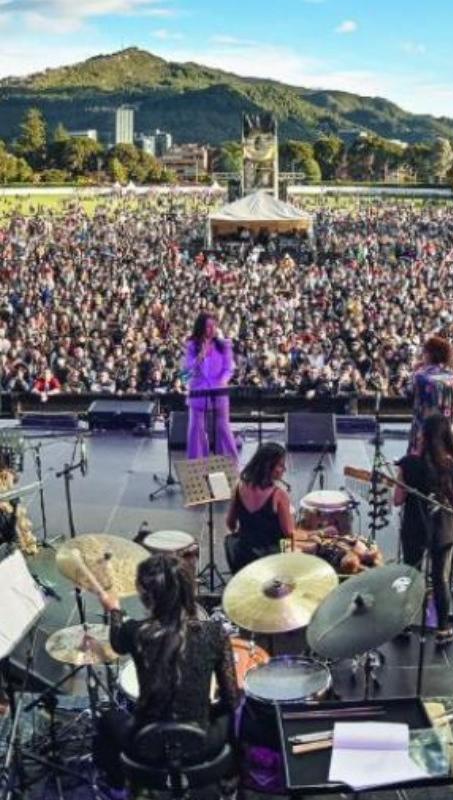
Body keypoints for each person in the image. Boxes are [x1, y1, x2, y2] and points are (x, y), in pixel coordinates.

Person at [94, 553, 240, 795]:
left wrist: (114, 609)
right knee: (239, 708)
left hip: (145, 743)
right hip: (202, 742)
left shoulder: (136, 632)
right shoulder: (214, 633)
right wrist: (205, 711)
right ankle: (230, 777)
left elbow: (117, 641)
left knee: (108, 719)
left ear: (146, 596)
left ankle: (118, 785)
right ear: (188, 590)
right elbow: (231, 699)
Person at [393, 414, 453, 645]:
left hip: (415, 526)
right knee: (441, 578)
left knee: (410, 574)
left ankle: (403, 626)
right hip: (443, 528)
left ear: (423, 436)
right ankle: (443, 630)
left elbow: (397, 499)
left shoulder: (408, 463)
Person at [225, 442, 294, 571]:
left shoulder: (239, 486)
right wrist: (317, 533)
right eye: (280, 465)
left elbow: (231, 524)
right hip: (270, 560)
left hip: (242, 556)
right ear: (268, 466)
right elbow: (290, 534)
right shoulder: (279, 495)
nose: (284, 469)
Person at [184, 313, 238, 461]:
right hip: (198, 392)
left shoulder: (224, 345)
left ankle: (230, 464)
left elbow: (229, 369)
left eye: (214, 325)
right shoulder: (191, 346)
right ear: (201, 327)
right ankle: (197, 464)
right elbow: (186, 374)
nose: (212, 329)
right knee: (196, 429)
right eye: (208, 326)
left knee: (223, 428)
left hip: (219, 391)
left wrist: (223, 381)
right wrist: (199, 357)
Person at [408, 336, 453, 453]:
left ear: (430, 354)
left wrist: (415, 370)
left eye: (424, 352)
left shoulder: (420, 376)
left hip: (424, 428)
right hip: (446, 428)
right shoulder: (452, 377)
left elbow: (409, 393)